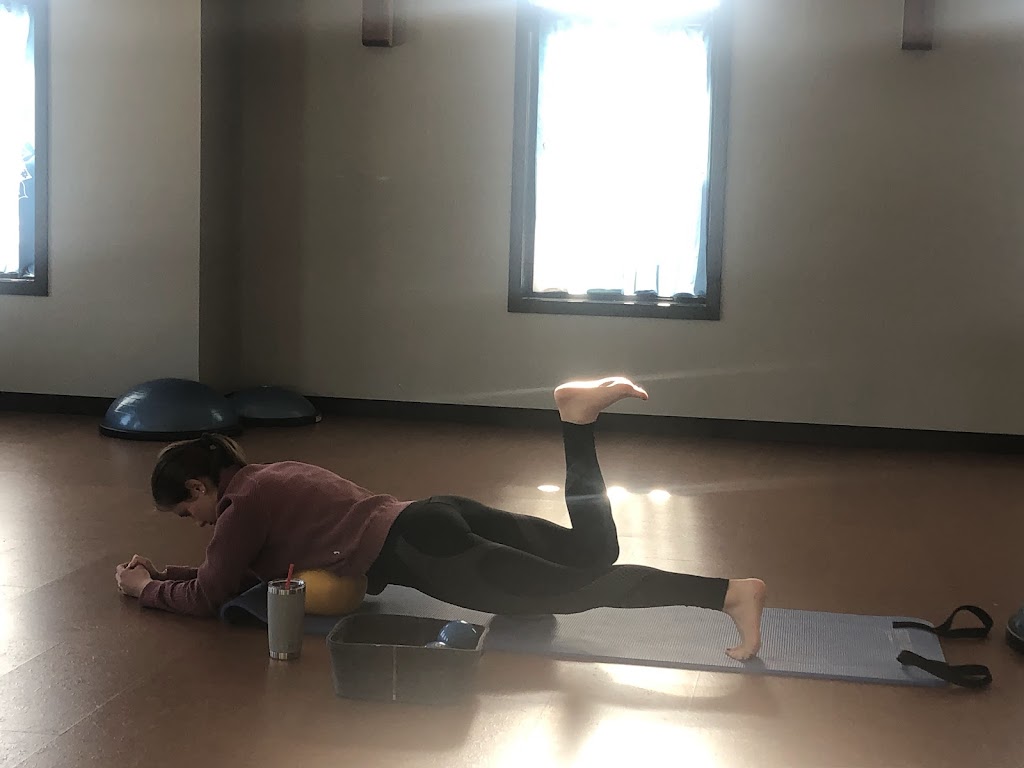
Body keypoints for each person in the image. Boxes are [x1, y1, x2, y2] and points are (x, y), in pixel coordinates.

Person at [116, 377, 767, 660]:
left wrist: (146, 590)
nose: (197, 522)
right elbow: (221, 573)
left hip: (430, 551)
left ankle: (728, 593)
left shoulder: (240, 508)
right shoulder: (272, 474)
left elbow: (212, 594)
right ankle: (577, 419)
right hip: (436, 514)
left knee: (581, 586)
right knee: (592, 552)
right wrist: (168, 572)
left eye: (187, 509)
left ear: (200, 485)